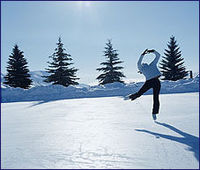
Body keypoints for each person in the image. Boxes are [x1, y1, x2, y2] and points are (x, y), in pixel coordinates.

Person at [129, 49, 161, 120]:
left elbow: (139, 62)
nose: (144, 63)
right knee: (154, 97)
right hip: (154, 81)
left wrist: (143, 54)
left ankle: (154, 112)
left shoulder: (148, 66)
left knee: (152, 96)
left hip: (152, 81)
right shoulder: (148, 66)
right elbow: (158, 56)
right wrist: (153, 52)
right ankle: (154, 113)